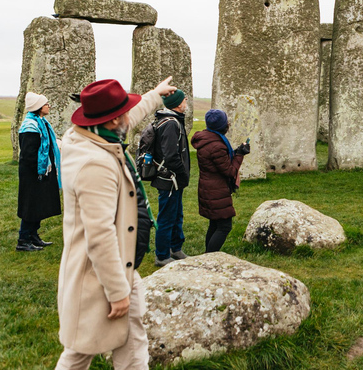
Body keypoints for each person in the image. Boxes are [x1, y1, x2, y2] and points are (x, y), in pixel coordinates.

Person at [55, 77, 176, 369]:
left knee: (133, 347)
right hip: (99, 277)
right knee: (79, 352)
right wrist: (118, 291)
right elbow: (100, 235)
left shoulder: (91, 136)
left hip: (121, 266)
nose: (128, 116)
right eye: (123, 112)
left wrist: (155, 96)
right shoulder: (94, 164)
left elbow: (126, 120)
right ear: (111, 122)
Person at [191, 109, 250, 252]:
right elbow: (230, 171)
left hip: (209, 187)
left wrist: (235, 151)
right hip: (216, 190)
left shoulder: (209, 140)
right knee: (224, 226)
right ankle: (209, 257)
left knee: (215, 224)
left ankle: (207, 256)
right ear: (223, 126)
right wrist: (240, 155)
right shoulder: (217, 145)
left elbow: (220, 162)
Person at [149, 89, 191, 267]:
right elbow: (170, 156)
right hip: (169, 179)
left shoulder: (173, 121)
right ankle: (162, 255)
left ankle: (176, 248)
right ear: (178, 103)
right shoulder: (171, 124)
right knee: (167, 217)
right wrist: (182, 172)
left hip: (174, 179)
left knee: (176, 214)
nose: (187, 101)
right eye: (184, 99)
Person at [16, 92, 61, 251]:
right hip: (33, 174)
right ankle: (23, 240)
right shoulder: (30, 127)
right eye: (46, 103)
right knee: (31, 206)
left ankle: (33, 236)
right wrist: (39, 172)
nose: (49, 106)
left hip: (41, 172)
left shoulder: (41, 123)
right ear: (38, 107)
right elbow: (28, 154)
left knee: (38, 205)